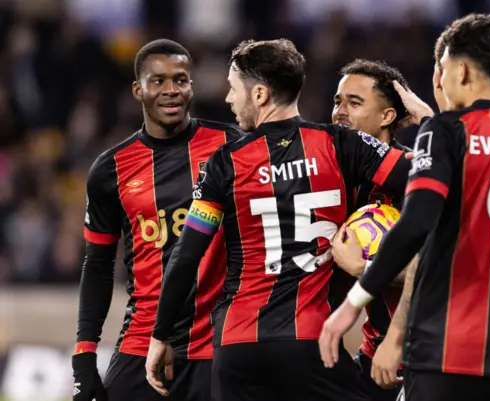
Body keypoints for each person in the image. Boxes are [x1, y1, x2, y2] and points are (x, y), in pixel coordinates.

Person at [319, 13, 490, 401]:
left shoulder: (445, 132)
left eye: (440, 70)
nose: (437, 82)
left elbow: (416, 223)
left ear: (461, 70)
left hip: (450, 346)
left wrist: (356, 296)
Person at [146, 38, 411, 401]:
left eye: (233, 88)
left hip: (238, 345)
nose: (228, 99)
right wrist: (428, 120)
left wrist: (161, 335)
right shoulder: (340, 144)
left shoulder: (223, 164)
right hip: (311, 343)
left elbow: (185, 256)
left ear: (258, 95)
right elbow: (429, 178)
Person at [72, 39, 242, 401]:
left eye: (180, 80)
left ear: (191, 86)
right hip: (141, 340)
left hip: (218, 344)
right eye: (158, 81)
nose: (170, 90)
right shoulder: (110, 169)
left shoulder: (231, 146)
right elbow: (98, 264)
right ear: (138, 89)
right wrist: (85, 354)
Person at [330, 58, 414, 401]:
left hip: (421, 353)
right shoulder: (330, 178)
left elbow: (439, 270)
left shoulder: (416, 175)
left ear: (387, 117)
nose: (339, 112)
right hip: (372, 350)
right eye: (337, 101)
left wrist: (364, 270)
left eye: (354, 102)